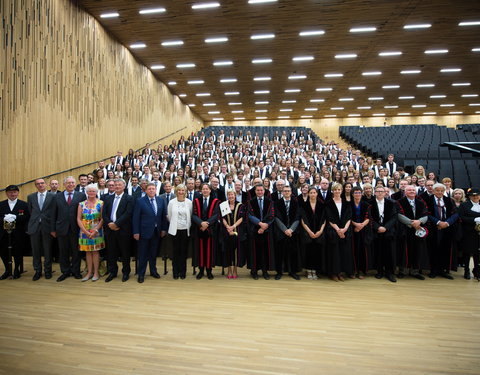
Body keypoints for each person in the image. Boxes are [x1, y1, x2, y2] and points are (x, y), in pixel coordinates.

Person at [132, 183, 168, 283]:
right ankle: (141, 274)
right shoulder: (140, 201)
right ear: (146, 191)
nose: (151, 190)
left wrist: (163, 229)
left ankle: (153, 271)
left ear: (156, 190)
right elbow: (136, 218)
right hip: (143, 232)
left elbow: (163, 217)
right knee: (143, 254)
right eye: (149, 189)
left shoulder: (161, 200)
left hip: (157, 232)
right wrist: (136, 232)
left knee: (153, 253)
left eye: (153, 189)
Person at [52, 176, 86, 281]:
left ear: (75, 184)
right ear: (64, 184)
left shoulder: (81, 195)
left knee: (76, 252)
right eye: (68, 183)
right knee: (63, 252)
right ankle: (65, 271)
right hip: (61, 229)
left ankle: (76, 271)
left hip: (76, 229)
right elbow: (53, 214)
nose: (70, 184)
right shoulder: (57, 196)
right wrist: (53, 229)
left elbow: (84, 213)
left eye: (72, 183)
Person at [102, 178, 134, 282]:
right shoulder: (107, 199)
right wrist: (110, 224)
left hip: (123, 229)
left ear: (124, 186)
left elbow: (128, 213)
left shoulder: (129, 198)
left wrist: (116, 224)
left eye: (119, 185)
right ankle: (112, 272)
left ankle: (125, 272)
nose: (117, 186)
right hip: (110, 230)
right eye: (115, 185)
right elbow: (104, 214)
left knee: (125, 252)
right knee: (111, 252)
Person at [425, 183, 459, 279]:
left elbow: (456, 214)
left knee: (446, 249)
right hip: (433, 228)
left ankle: (443, 270)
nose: (439, 192)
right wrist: (438, 222)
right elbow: (426, 213)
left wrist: (446, 223)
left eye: (441, 191)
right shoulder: (427, 200)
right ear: (433, 191)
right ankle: (433, 270)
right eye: (437, 190)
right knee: (433, 249)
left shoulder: (449, 200)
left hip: (447, 228)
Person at [396, 185, 429, 279]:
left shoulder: (421, 202)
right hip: (405, 230)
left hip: (418, 230)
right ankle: (403, 271)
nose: (411, 191)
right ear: (405, 192)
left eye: (413, 190)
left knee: (417, 250)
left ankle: (415, 271)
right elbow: (399, 215)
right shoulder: (399, 202)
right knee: (404, 251)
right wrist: (412, 223)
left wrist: (420, 221)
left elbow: (426, 214)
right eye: (409, 190)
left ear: (416, 192)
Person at [27, 179, 55, 280]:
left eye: (42, 183)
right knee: (35, 251)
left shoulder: (53, 196)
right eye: (38, 184)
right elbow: (31, 211)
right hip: (34, 227)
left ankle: (48, 271)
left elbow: (54, 212)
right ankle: (37, 271)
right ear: (35, 186)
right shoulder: (31, 197)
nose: (40, 185)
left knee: (47, 250)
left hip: (47, 226)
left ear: (46, 184)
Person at [0, 185, 30, 279]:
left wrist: (16, 217)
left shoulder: (24, 204)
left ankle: (16, 269)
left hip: (18, 233)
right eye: (10, 192)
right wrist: (4, 219)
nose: (12, 194)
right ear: (6, 193)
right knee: (3, 251)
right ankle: (7, 270)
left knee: (18, 251)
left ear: (17, 193)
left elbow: (27, 217)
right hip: (4, 233)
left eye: (14, 192)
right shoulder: (1, 204)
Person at [77, 184, 105, 282]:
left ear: (97, 192)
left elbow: (102, 218)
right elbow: (78, 219)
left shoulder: (101, 203)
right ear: (87, 192)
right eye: (89, 191)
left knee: (96, 252)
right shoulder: (81, 204)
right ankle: (89, 272)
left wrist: (96, 230)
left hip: (97, 231)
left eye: (93, 191)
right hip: (84, 231)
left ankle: (96, 272)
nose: (91, 193)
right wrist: (85, 231)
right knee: (88, 252)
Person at [325, 183, 352, 281]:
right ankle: (333, 273)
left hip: (345, 231)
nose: (337, 191)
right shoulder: (328, 203)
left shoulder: (346, 202)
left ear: (341, 191)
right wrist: (338, 230)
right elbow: (329, 218)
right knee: (334, 253)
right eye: (335, 190)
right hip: (333, 231)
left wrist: (344, 229)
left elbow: (349, 217)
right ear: (332, 191)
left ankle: (341, 272)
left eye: (339, 190)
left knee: (343, 252)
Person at [192, 183, 220, 279]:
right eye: (203, 189)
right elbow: (194, 215)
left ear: (210, 190)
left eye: (207, 189)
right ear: (201, 190)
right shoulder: (196, 201)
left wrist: (206, 223)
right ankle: (201, 270)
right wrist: (201, 223)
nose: (205, 190)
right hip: (199, 229)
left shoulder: (215, 201)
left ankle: (209, 271)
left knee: (209, 250)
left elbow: (216, 215)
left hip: (210, 230)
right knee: (200, 250)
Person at [370, 186, 398, 282]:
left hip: (388, 231)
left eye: (382, 191)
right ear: (375, 193)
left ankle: (389, 272)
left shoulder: (392, 203)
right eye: (378, 191)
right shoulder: (370, 204)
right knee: (378, 252)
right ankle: (380, 271)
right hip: (376, 231)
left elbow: (394, 217)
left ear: (385, 193)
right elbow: (369, 218)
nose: (380, 193)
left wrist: (385, 227)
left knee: (389, 252)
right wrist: (378, 227)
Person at [247, 184, 275, 280]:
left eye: (261, 190)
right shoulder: (251, 202)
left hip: (266, 230)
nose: (259, 192)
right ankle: (254, 271)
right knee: (255, 252)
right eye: (258, 190)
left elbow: (271, 215)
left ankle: (265, 271)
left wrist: (264, 226)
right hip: (255, 230)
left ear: (264, 191)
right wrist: (259, 224)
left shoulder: (269, 201)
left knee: (265, 251)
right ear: (255, 191)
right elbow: (250, 216)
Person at [274, 185, 301, 280]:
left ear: (291, 192)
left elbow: (298, 217)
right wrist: (285, 230)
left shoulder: (296, 203)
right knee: (280, 253)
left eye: (288, 191)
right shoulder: (277, 203)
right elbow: (276, 217)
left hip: (293, 232)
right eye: (285, 191)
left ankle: (292, 271)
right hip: (281, 232)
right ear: (282, 192)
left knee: (293, 253)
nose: (286, 192)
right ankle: (279, 272)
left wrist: (291, 230)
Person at [167, 184, 193, 279]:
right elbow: (170, 216)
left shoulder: (189, 202)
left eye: (183, 190)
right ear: (176, 191)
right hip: (175, 230)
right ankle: (175, 272)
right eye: (179, 190)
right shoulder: (171, 202)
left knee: (183, 252)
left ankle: (183, 272)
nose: (181, 192)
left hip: (185, 230)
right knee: (175, 252)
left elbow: (190, 215)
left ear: (185, 192)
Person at [300, 186, 326, 279]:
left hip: (319, 232)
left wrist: (321, 231)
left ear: (317, 194)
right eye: (311, 193)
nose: (312, 194)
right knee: (308, 251)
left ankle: (315, 270)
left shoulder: (322, 205)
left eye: (314, 192)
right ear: (308, 194)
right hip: (308, 232)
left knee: (317, 252)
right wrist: (309, 231)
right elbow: (303, 220)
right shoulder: (304, 205)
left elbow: (324, 219)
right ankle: (308, 270)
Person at [220, 189, 246, 279]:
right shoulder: (224, 205)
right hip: (226, 232)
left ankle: (235, 270)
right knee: (228, 251)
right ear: (227, 196)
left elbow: (242, 218)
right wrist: (228, 227)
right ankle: (229, 271)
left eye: (232, 195)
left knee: (235, 252)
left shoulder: (240, 205)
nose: (231, 196)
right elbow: (222, 218)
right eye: (229, 195)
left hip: (237, 231)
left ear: (235, 195)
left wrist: (233, 227)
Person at [457, 188, 480, 280]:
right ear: (470, 196)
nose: (475, 197)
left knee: (478, 253)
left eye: (477, 195)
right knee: (467, 252)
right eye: (473, 195)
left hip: (478, 233)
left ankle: (477, 271)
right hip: (468, 232)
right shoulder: (464, 205)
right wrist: (474, 219)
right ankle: (466, 270)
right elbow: (461, 217)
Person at [350, 186, 372, 279]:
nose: (357, 194)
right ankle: (353, 270)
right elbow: (347, 217)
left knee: (362, 250)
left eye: (359, 192)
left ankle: (361, 271)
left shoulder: (366, 204)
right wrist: (355, 225)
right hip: (352, 229)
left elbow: (369, 218)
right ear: (352, 194)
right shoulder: (349, 204)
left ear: (361, 193)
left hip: (363, 229)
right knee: (353, 250)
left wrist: (361, 225)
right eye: (355, 193)